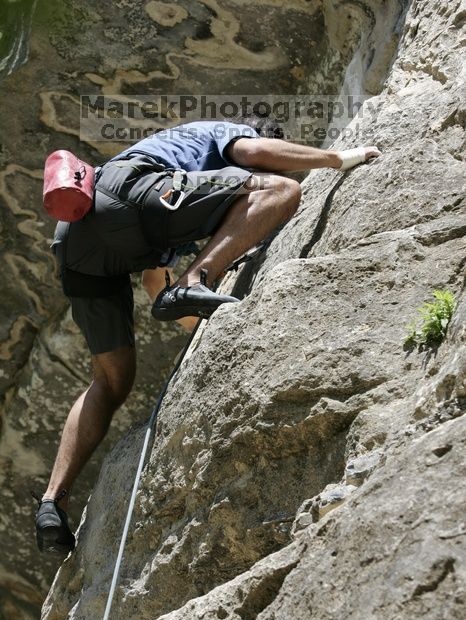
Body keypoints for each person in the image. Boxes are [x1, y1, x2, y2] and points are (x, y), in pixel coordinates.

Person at [34, 117, 381, 555]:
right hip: (124, 194)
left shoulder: (173, 162)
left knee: (110, 380)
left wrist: (210, 331)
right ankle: (197, 277)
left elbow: (153, 288)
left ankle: (52, 502)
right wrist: (335, 159)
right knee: (279, 191)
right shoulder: (224, 131)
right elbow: (253, 156)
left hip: (74, 244)